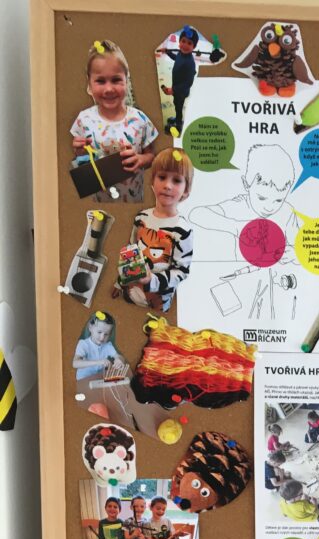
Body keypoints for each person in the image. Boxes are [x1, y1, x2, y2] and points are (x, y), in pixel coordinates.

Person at [70, 39, 158, 203]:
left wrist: (140, 160)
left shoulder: (140, 120)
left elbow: (152, 156)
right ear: (89, 83)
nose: (109, 89)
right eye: (100, 81)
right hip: (98, 202)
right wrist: (79, 151)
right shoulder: (83, 120)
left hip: (133, 202)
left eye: (116, 80)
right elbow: (81, 159)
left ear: (127, 80)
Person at [116, 148, 194, 312]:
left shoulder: (183, 230)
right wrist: (120, 282)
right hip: (130, 293)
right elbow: (131, 251)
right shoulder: (141, 217)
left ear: (186, 190)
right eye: (162, 177)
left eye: (176, 180)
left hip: (158, 303)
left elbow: (181, 271)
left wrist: (152, 280)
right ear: (152, 181)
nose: (167, 185)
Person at [158, 25, 199, 130]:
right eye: (183, 41)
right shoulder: (181, 53)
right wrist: (168, 52)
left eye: (189, 43)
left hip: (181, 91)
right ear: (179, 41)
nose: (185, 45)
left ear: (194, 47)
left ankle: (178, 124)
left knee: (179, 106)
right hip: (176, 86)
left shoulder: (190, 63)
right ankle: (177, 119)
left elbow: (188, 83)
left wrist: (174, 90)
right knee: (176, 104)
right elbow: (176, 58)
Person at [72, 312, 124, 380]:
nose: (102, 338)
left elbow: (119, 356)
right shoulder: (83, 344)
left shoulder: (108, 345)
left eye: (106, 334)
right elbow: (75, 363)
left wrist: (119, 359)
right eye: (99, 332)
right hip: (84, 379)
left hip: (99, 378)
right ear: (90, 328)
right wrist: (99, 362)